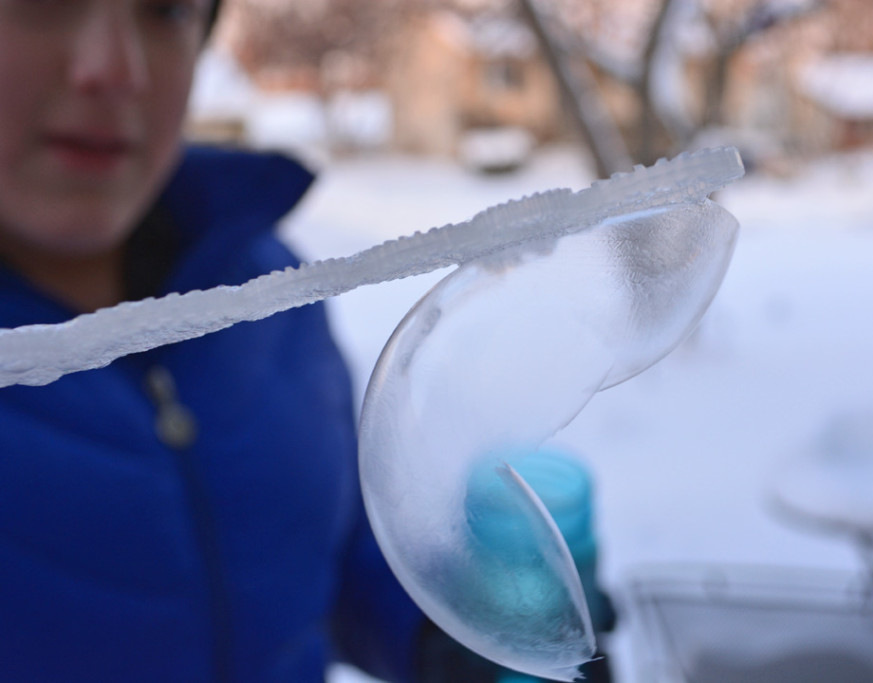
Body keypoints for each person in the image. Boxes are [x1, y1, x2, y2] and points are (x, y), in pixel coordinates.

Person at [0, 1, 510, 681]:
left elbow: (331, 535)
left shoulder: (265, 287)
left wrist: (454, 635)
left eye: (167, 9)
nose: (114, 69)